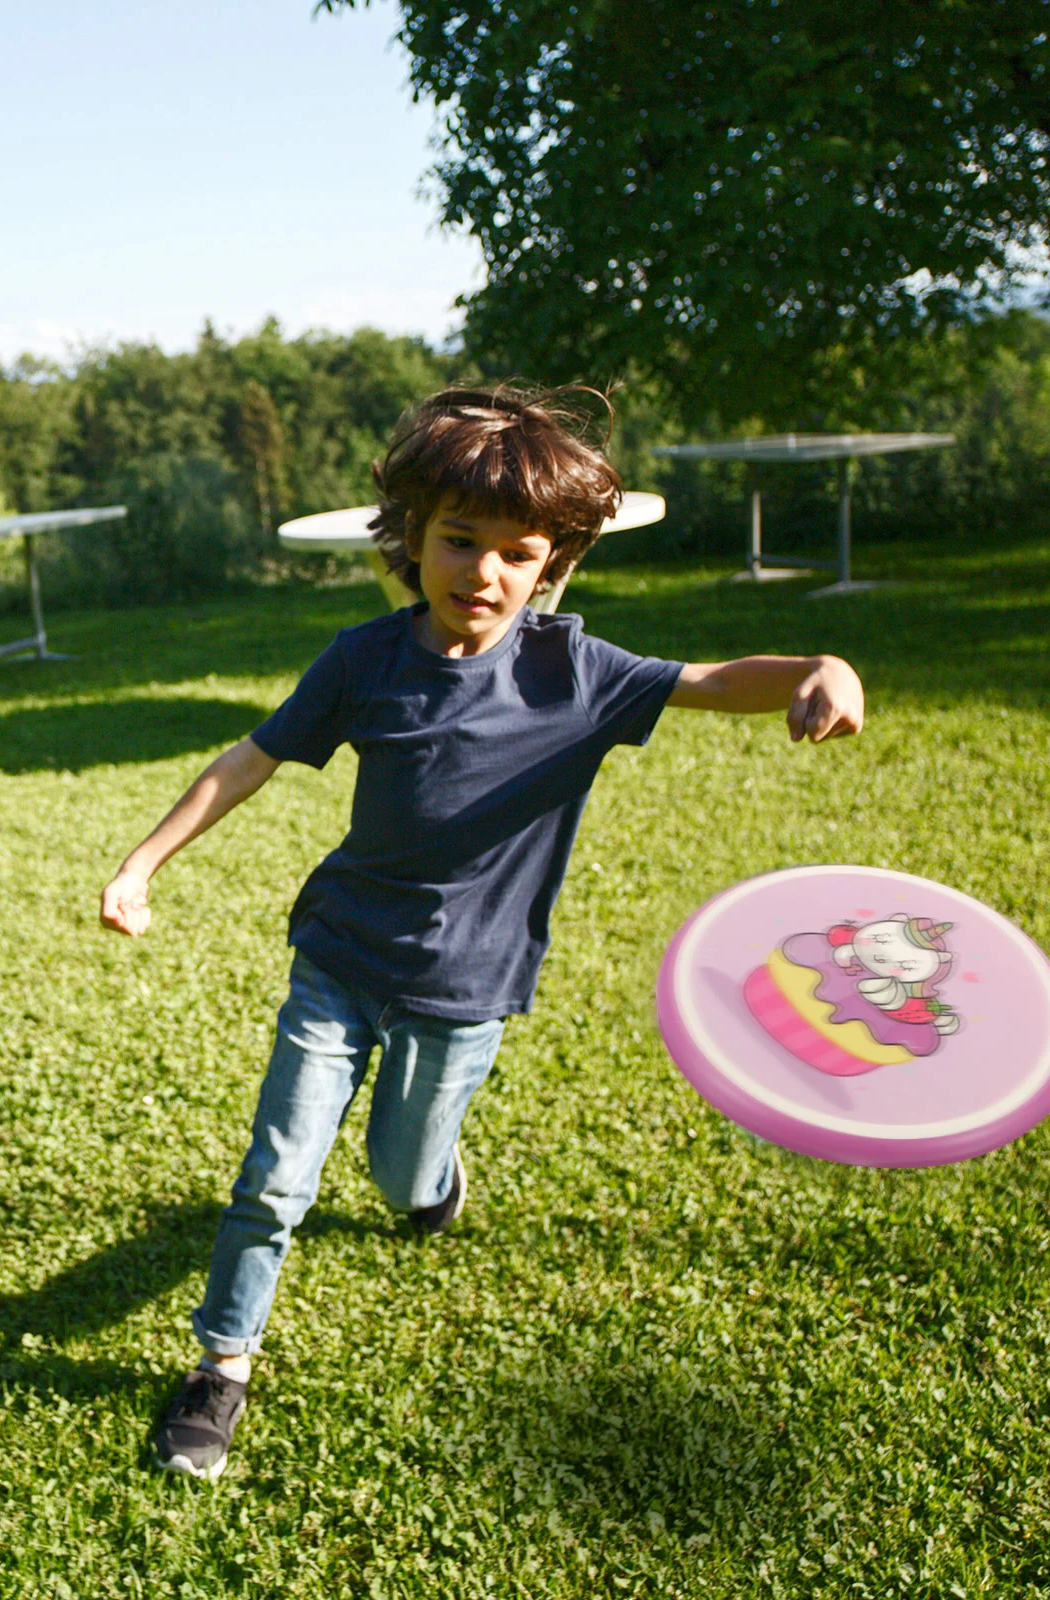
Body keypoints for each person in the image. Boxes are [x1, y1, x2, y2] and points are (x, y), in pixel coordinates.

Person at [99, 385, 864, 1479]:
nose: (483, 572)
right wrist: (141, 861)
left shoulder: (575, 674)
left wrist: (816, 670)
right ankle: (222, 1367)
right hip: (342, 956)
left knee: (401, 1175)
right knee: (277, 1172)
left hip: (466, 982)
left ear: (550, 564)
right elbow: (251, 758)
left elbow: (710, 679)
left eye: (517, 553)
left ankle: (433, 1181)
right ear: (412, 535)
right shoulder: (362, 660)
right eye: (460, 540)